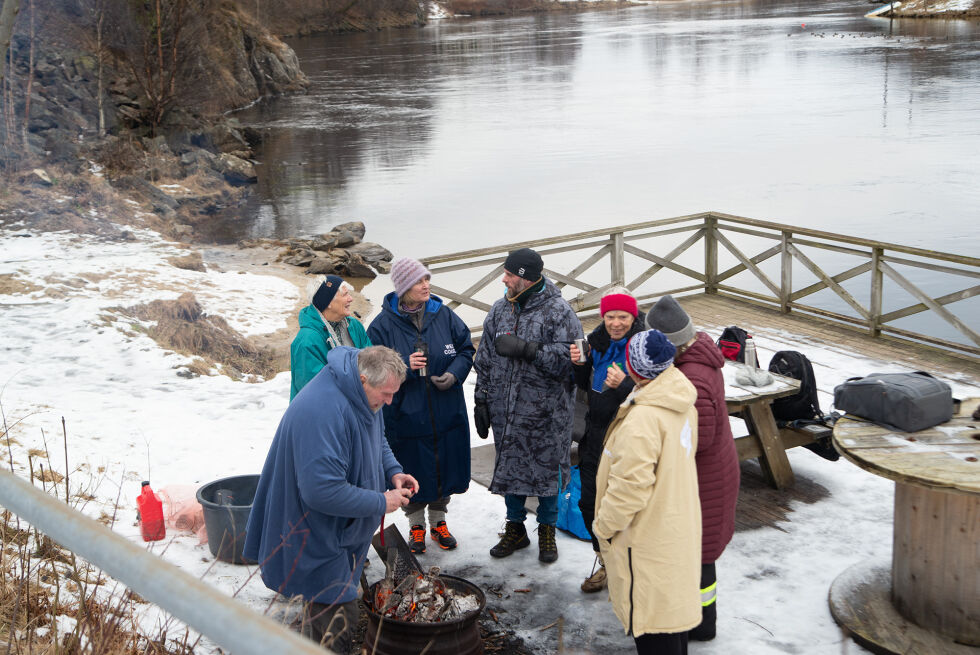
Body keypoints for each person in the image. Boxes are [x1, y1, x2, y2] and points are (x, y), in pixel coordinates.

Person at [243, 346, 419, 654]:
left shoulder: (363, 395)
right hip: (312, 531)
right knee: (336, 619)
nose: (390, 401)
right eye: (386, 393)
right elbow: (321, 491)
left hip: (341, 529)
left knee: (329, 615)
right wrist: (382, 502)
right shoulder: (322, 410)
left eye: (394, 393)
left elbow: (376, 437)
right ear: (363, 379)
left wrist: (393, 471)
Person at [472, 247, 583, 563]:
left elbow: (576, 362)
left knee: (547, 476)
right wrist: (481, 399)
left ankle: (547, 530)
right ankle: (515, 528)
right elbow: (485, 360)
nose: (503, 280)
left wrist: (529, 350)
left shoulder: (560, 312)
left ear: (524, 278)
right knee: (510, 469)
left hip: (548, 416)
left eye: (508, 274)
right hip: (505, 412)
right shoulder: (499, 311)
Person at [593, 329, 701, 655]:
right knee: (671, 622)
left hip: (647, 539)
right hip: (674, 525)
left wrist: (603, 527)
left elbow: (630, 489)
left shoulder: (643, 419)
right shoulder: (680, 400)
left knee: (654, 627)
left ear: (634, 367)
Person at [645, 295, 739, 642]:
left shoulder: (693, 378)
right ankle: (702, 623)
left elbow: (698, 439)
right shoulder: (698, 355)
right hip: (713, 473)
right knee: (702, 555)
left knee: (698, 557)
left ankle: (700, 626)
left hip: (705, 481)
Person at [367, 257, 475, 554]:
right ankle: (416, 526)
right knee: (412, 468)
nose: (426, 285)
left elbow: (466, 349)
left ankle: (439, 521)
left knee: (443, 467)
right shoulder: (381, 327)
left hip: (445, 408)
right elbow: (371, 372)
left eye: (427, 278)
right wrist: (404, 366)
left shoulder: (444, 315)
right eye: (418, 281)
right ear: (403, 287)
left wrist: (455, 374)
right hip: (405, 414)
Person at [569, 287, 645, 593]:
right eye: (610, 316)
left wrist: (625, 385)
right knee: (590, 502)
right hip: (595, 434)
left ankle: (632, 569)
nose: (616, 323)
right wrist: (579, 364)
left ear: (633, 316)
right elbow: (583, 385)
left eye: (623, 316)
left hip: (628, 437)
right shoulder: (595, 342)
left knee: (626, 506)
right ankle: (605, 562)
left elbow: (655, 395)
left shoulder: (643, 345)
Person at [289, 274, 371, 400]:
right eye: (345, 295)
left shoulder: (354, 326)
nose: (351, 299)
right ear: (328, 303)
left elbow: (371, 361)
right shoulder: (307, 341)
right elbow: (314, 392)